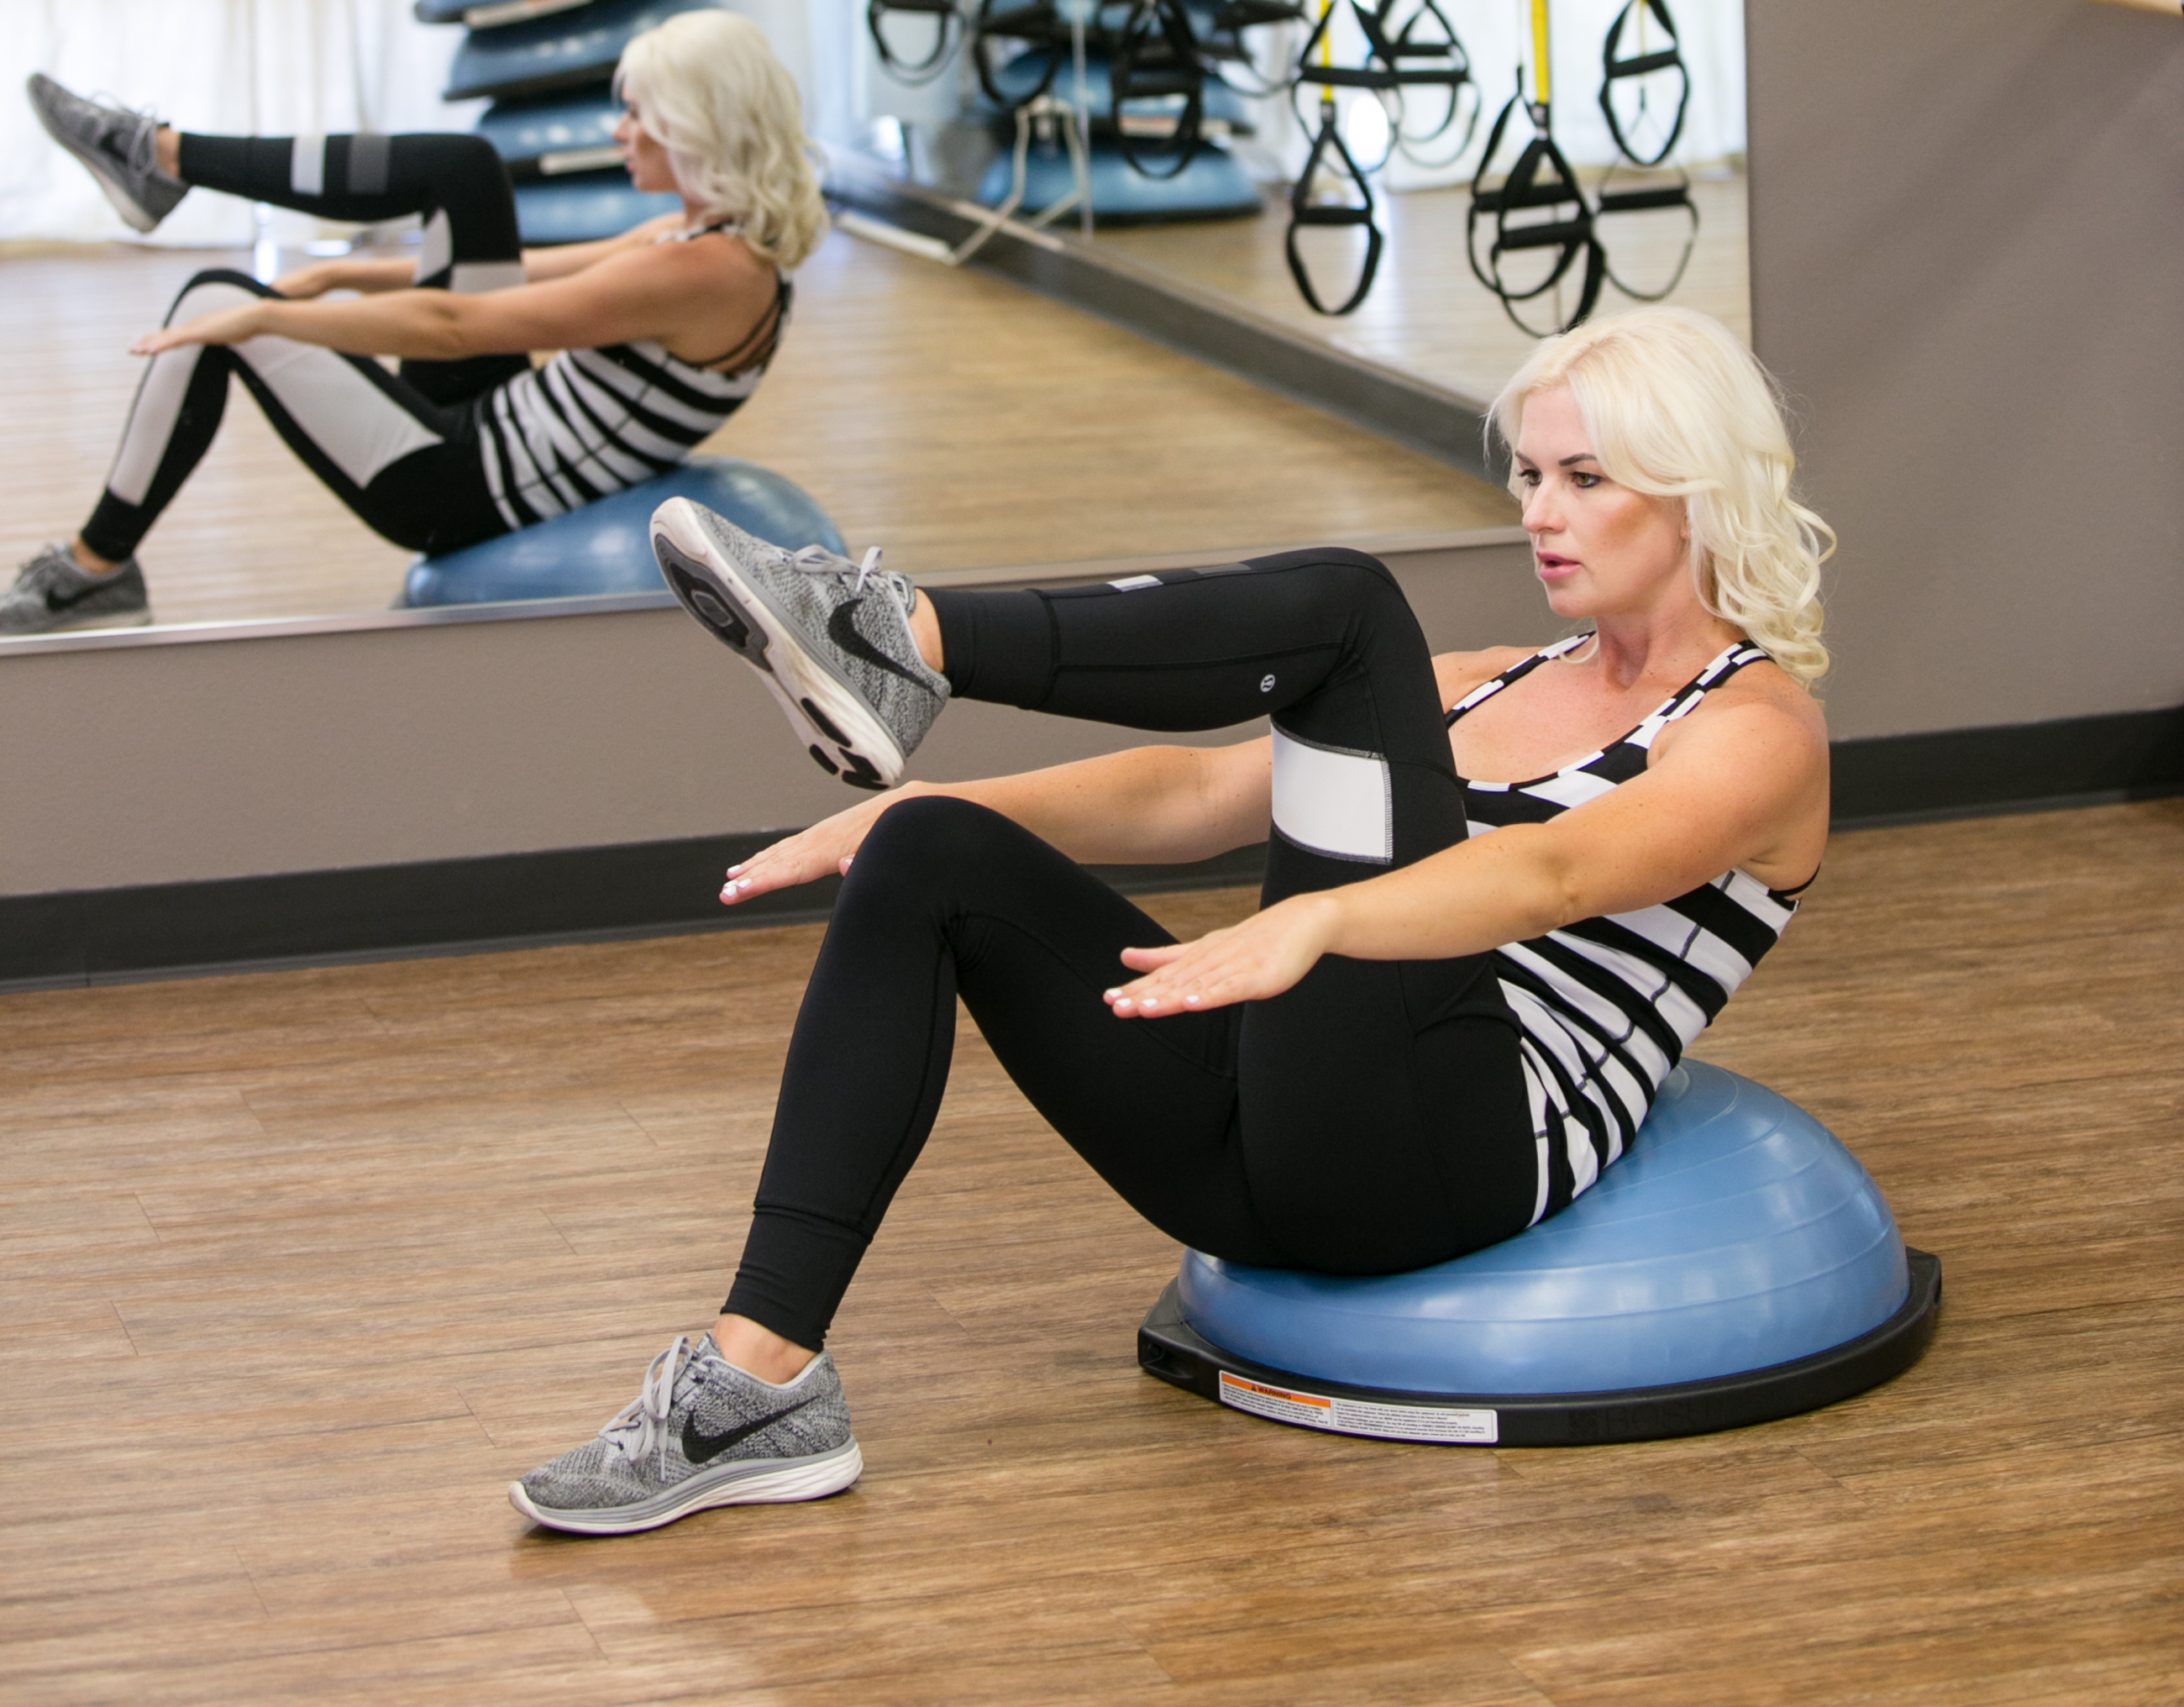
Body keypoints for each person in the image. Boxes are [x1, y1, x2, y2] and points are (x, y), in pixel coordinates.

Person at [508, 304, 1833, 1537]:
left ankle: (899, 633)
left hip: (1453, 1157)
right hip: (1277, 1153)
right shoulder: (1489, 682)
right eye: (1532, 476)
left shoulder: (1756, 734)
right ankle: (754, 1387)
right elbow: (1195, 794)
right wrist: (921, 805)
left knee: (1350, 611)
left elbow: (1559, 877)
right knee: (929, 851)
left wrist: (1321, 925)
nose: (1540, 513)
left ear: (1696, 489)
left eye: (1586, 479)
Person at [5, 13, 825, 631]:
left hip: (462, 487)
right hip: (488, 421)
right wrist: (341, 274)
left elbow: (453, 327)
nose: (620, 131)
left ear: (695, 126)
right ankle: (162, 156)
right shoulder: (708, 238)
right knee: (463, 169)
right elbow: (532, 270)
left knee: (213, 303)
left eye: (639, 114)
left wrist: (267, 319)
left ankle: (92, 572)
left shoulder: (699, 273)